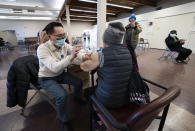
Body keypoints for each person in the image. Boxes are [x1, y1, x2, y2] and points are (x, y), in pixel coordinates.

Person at [37, 22, 88, 131]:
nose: (62, 38)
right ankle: (62, 117)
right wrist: (71, 56)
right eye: (59, 36)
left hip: (60, 74)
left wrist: (84, 56)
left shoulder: (64, 44)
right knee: (62, 95)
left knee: (78, 82)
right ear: (50, 36)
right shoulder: (42, 49)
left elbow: (75, 52)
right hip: (46, 77)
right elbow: (54, 67)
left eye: (63, 34)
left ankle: (77, 97)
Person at [80, 22, 133, 108]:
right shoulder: (128, 51)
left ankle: (97, 115)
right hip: (125, 97)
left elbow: (83, 67)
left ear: (105, 39)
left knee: (86, 92)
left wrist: (85, 57)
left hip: (108, 99)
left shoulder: (101, 55)